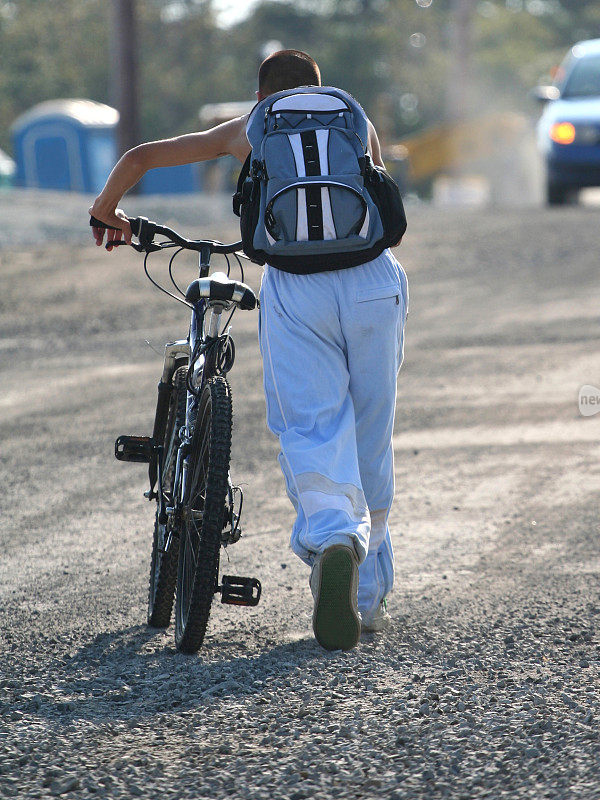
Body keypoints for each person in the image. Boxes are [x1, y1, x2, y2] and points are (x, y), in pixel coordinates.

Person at [90, 50, 407, 652]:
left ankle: (336, 538)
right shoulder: (353, 121)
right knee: (371, 428)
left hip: (296, 287)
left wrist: (106, 212)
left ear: (262, 95)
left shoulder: (250, 128)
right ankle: (367, 598)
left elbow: (140, 157)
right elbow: (377, 198)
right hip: (372, 284)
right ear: (320, 88)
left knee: (313, 426)